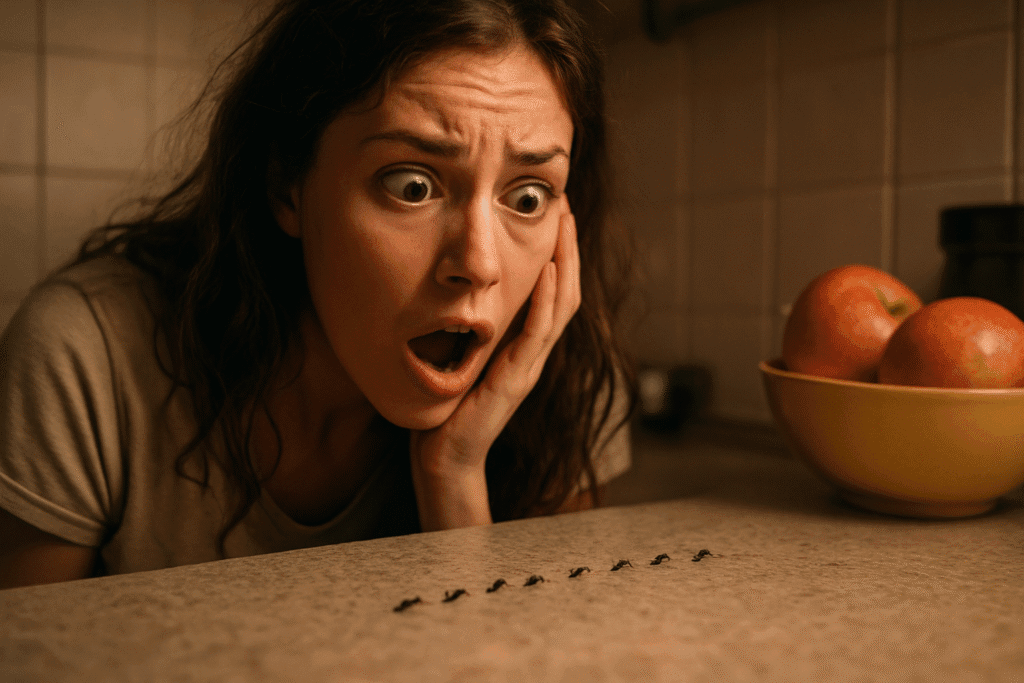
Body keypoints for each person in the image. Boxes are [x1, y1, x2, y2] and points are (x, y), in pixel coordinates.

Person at [0, 0, 636, 588]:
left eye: (528, 197)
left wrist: (454, 476)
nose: (479, 264)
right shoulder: (87, 357)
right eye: (411, 186)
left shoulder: (561, 374)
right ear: (286, 185)